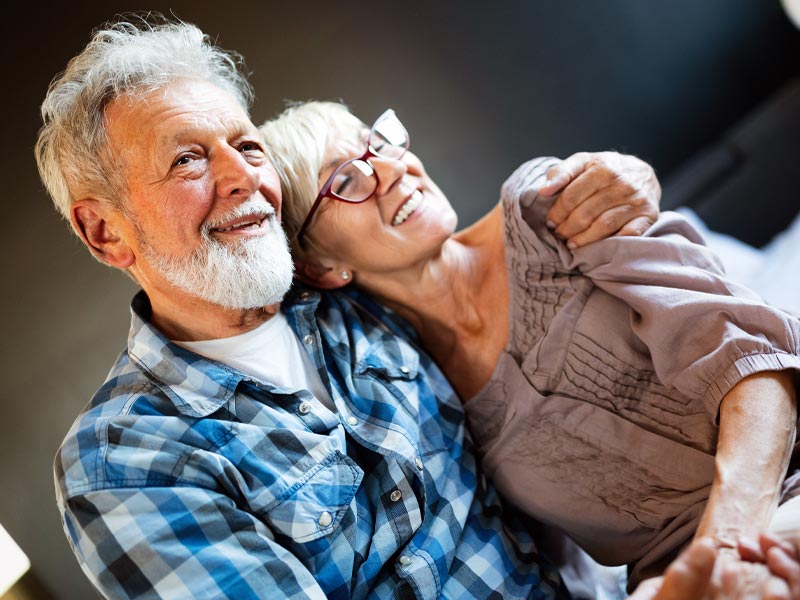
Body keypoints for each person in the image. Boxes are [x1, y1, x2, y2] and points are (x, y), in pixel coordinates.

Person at [37, 16, 673, 599]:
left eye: (248, 146)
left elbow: (481, 251)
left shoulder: (357, 297)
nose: (243, 177)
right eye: (186, 160)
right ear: (105, 233)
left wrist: (606, 179)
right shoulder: (124, 460)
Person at [259, 100, 800, 594]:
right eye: (346, 179)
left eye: (379, 142)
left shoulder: (546, 210)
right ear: (322, 267)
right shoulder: (419, 398)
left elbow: (755, 360)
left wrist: (725, 549)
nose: (392, 168)